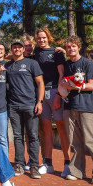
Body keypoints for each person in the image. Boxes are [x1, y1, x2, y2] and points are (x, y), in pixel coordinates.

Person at [55, 35, 93, 185]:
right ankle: (77, 171)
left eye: (73, 46)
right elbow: (64, 83)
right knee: (75, 142)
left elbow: (92, 86)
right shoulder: (67, 64)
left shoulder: (88, 64)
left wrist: (74, 86)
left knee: (91, 141)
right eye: (68, 47)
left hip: (86, 107)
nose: (71, 49)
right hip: (69, 107)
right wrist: (65, 85)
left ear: (79, 47)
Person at [5, 40, 45, 179]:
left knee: (33, 135)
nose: (17, 49)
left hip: (30, 105)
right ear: (11, 50)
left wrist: (39, 102)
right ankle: (19, 164)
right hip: (14, 106)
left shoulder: (32, 63)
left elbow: (40, 83)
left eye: (19, 47)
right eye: (14, 47)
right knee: (17, 136)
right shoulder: (8, 66)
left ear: (23, 49)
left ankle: (34, 165)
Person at [34, 27, 71, 176]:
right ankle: (47, 162)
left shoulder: (57, 53)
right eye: (39, 38)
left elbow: (62, 74)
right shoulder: (35, 53)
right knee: (45, 128)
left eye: (44, 37)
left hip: (55, 91)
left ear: (48, 37)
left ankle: (67, 163)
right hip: (41, 93)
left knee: (61, 126)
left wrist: (58, 96)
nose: (41, 40)